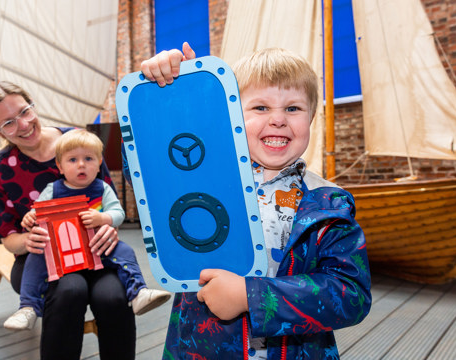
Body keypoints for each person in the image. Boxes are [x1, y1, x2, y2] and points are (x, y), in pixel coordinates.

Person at [137, 43, 372, 359]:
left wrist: (252, 297)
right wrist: (177, 90)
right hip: (202, 347)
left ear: (312, 117)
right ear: (231, 113)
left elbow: (351, 294)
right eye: (260, 108)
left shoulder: (329, 203)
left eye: (293, 108)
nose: (278, 119)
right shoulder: (203, 178)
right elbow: (152, 167)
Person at [0, 81, 135, 360]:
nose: (24, 125)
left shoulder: (78, 142)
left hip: (95, 248)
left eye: (25, 112)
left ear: (33, 105)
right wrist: (27, 240)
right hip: (41, 257)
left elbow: (109, 203)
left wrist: (109, 226)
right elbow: (8, 239)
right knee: (69, 290)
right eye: (9, 123)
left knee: (112, 296)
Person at [3, 129, 171, 331]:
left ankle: (137, 292)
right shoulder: (53, 190)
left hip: (95, 247)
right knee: (35, 258)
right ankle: (28, 307)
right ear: (60, 166)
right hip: (62, 251)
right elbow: (37, 211)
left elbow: (118, 213)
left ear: (99, 162)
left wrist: (103, 217)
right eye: (72, 160)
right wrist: (31, 216)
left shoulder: (102, 189)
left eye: (88, 158)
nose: (81, 164)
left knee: (125, 251)